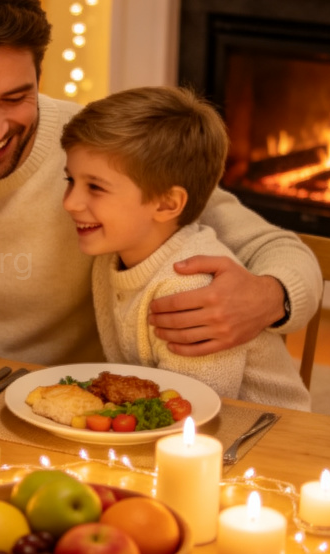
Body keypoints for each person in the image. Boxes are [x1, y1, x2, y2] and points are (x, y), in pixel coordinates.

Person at [0, 0, 322, 361]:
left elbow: (279, 249)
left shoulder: (96, 149)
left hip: (86, 403)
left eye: (16, 98)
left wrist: (269, 297)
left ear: (38, 76)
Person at [61, 86, 311, 408]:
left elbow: (194, 409)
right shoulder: (112, 254)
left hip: (265, 431)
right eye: (70, 180)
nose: (70, 202)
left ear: (167, 203)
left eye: (95, 187)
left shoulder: (190, 286)